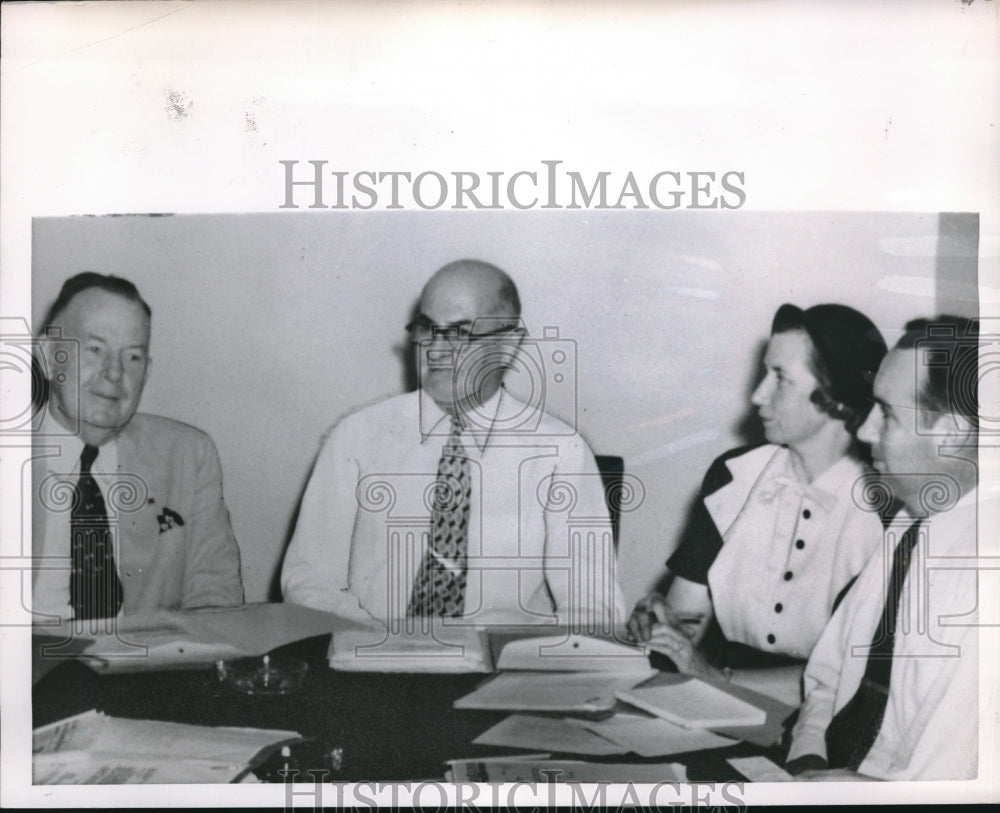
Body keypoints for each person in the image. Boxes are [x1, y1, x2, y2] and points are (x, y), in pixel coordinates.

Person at [281, 259, 625, 629]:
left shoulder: (560, 453)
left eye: (460, 333)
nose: (436, 351)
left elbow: (593, 606)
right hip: (369, 655)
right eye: (428, 329)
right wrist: (385, 640)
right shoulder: (358, 436)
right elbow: (308, 581)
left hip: (499, 667)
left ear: (508, 346)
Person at [627, 303, 888, 690]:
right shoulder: (734, 476)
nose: (757, 395)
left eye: (780, 378)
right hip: (716, 699)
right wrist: (662, 627)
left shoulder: (888, 508)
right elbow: (686, 626)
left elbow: (857, 680)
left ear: (836, 395)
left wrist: (717, 678)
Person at [786, 316, 982, 781]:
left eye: (887, 413)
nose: (865, 430)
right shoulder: (910, 522)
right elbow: (829, 679)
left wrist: (856, 791)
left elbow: (955, 775)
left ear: (951, 432)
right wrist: (808, 761)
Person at [32, 273, 244, 621]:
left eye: (132, 357)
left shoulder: (186, 455)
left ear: (147, 371)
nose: (114, 373)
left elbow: (216, 601)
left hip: (143, 669)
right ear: (47, 355)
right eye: (95, 349)